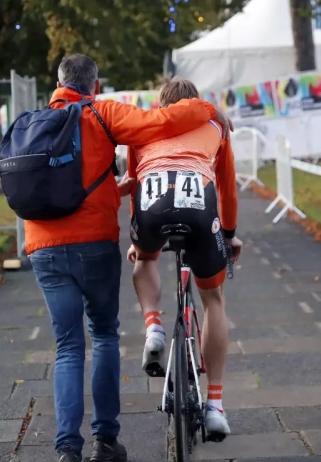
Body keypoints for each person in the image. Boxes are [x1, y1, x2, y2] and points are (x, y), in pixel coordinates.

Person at [26, 54, 233, 462]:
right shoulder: (105, 112)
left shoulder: (35, 121)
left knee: (67, 347)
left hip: (43, 245)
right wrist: (210, 109)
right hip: (96, 242)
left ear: (58, 83)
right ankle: (111, 439)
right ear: (95, 85)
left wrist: (131, 217)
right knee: (104, 335)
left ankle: (68, 449)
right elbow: (165, 131)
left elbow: (139, 174)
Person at [125, 77, 242, 440]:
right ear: (195, 103)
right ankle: (216, 406)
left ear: (161, 104)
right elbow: (226, 188)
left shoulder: (143, 125)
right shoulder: (215, 125)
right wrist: (228, 234)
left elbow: (134, 180)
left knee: (144, 262)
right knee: (213, 300)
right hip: (198, 205)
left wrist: (140, 240)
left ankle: (154, 328)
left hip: (151, 205)